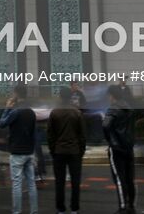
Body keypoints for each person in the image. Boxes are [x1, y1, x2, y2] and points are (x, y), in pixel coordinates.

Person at [47, 86, 87, 214]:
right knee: (75, 182)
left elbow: (50, 135)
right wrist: (81, 151)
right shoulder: (77, 113)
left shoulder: (54, 113)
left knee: (60, 181)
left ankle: (61, 209)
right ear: (71, 97)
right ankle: (74, 209)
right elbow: (82, 135)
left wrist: (53, 150)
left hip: (59, 151)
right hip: (74, 151)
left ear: (60, 96)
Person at [0, 85, 38, 214]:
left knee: (17, 184)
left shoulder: (15, 111)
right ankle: (34, 211)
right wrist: (33, 152)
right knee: (31, 184)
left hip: (17, 152)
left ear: (16, 94)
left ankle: (17, 211)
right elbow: (34, 134)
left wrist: (7, 108)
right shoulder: (31, 112)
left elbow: (2, 123)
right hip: (29, 152)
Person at [103, 82, 137, 213]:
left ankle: (122, 207)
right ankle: (131, 205)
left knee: (119, 178)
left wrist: (111, 141)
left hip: (117, 148)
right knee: (130, 178)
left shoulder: (112, 109)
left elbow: (106, 126)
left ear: (112, 95)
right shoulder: (129, 108)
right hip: (129, 147)